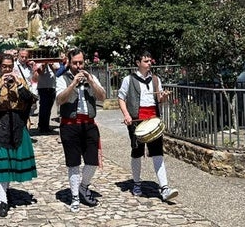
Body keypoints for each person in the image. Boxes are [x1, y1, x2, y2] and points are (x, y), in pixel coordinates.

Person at [117, 50, 179, 201]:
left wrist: (163, 98)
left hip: (153, 120)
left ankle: (164, 188)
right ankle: (137, 183)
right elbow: (121, 97)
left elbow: (159, 100)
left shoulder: (156, 80)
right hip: (136, 120)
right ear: (138, 63)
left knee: (157, 152)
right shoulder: (128, 79)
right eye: (146, 61)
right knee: (137, 152)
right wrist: (126, 115)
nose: (149, 63)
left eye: (150, 61)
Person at [0, 53, 38, 217]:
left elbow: (30, 98)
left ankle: (5, 191)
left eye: (9, 66)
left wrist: (18, 85)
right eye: (4, 66)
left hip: (16, 123)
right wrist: (1, 86)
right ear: (0, 67)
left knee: (11, 161)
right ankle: (3, 200)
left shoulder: (20, 81)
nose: (7, 69)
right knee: (2, 163)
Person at [56, 48, 106, 212]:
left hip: (89, 123)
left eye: (81, 62)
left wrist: (91, 82)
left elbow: (102, 96)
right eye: (75, 63)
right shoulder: (62, 78)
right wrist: (73, 84)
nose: (78, 66)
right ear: (69, 63)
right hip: (70, 124)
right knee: (73, 163)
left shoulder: (92, 77)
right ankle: (75, 196)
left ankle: (83, 186)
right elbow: (60, 100)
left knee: (92, 161)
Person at [36, 61, 58, 133]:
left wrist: (51, 65)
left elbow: (57, 73)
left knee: (49, 108)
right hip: (43, 87)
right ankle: (41, 126)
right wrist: (44, 65)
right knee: (43, 107)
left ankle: (46, 125)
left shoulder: (55, 61)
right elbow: (40, 72)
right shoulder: (39, 62)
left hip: (52, 86)